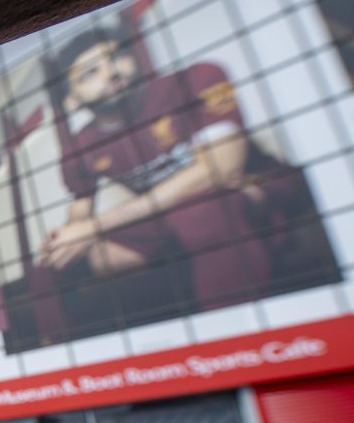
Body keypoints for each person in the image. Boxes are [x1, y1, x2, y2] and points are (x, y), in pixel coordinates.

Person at [37, 26, 324, 311]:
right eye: (90, 73)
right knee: (103, 257)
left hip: (251, 184)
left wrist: (96, 225)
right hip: (165, 212)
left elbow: (223, 168)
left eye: (116, 57)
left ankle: (233, 328)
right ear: (71, 100)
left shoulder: (197, 78)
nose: (111, 72)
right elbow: (79, 216)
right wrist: (64, 242)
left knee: (199, 211)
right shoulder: (79, 147)